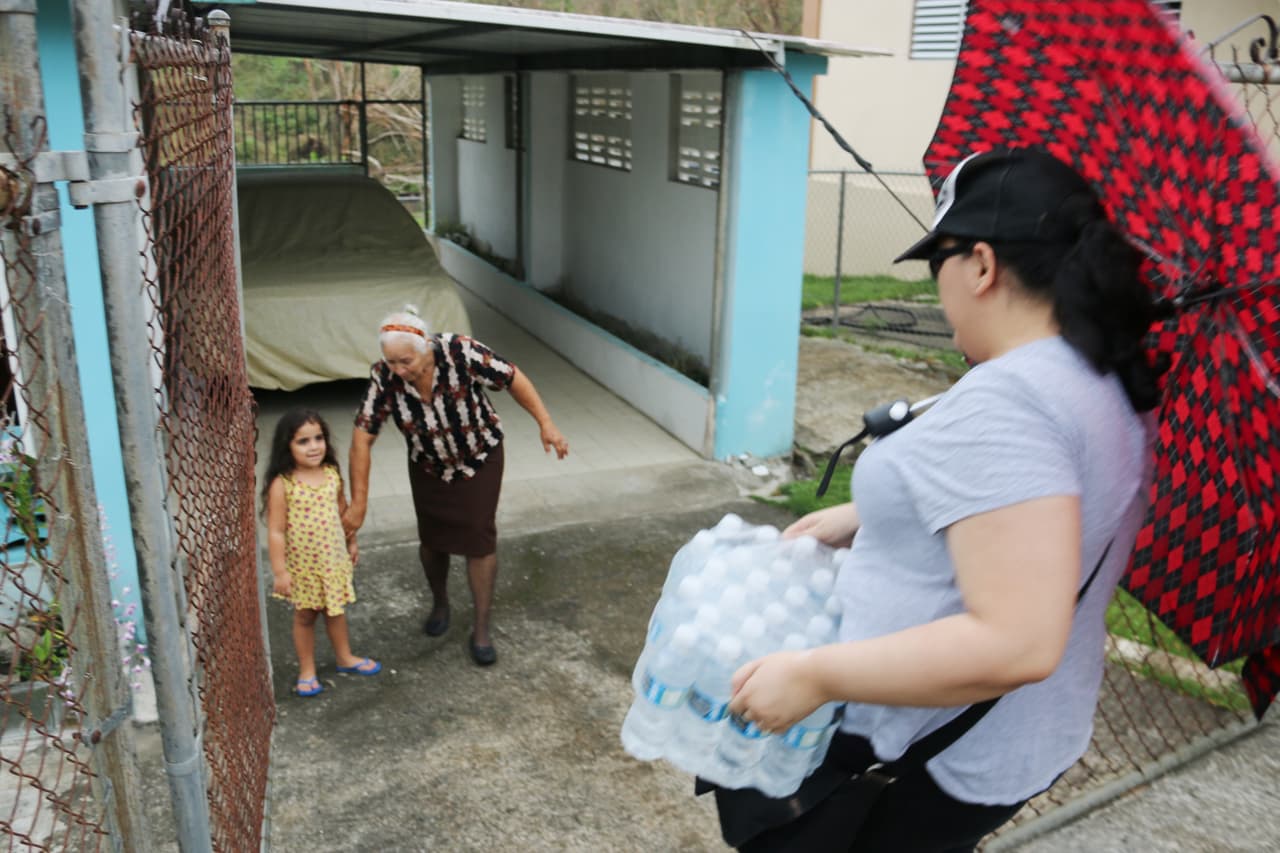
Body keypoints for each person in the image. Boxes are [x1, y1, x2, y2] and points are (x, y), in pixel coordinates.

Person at [722, 148, 1166, 851]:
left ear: (982, 265)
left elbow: (1016, 640)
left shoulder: (1013, 400)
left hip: (923, 750)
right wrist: (876, 511)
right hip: (1014, 739)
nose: (938, 287)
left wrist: (812, 674)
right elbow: (1035, 508)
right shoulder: (1100, 377)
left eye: (939, 264)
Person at [342, 306, 569, 666]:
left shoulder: (461, 352)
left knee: (479, 539)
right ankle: (440, 602)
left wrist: (546, 424)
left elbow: (512, 377)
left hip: (480, 457)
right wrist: (359, 504)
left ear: (425, 348)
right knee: (432, 541)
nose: (399, 370)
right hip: (429, 466)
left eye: (405, 361)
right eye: (391, 362)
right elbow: (362, 437)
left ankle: (480, 627)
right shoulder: (385, 376)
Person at [264, 409, 382, 698]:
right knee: (305, 617)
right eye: (303, 441)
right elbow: (276, 531)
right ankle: (307, 670)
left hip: (332, 562)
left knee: (336, 611)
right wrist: (280, 572)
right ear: (287, 446)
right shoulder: (283, 485)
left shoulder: (331, 475)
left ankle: (344, 657)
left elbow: (343, 513)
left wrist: (351, 541)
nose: (314, 446)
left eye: (318, 438)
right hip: (303, 568)